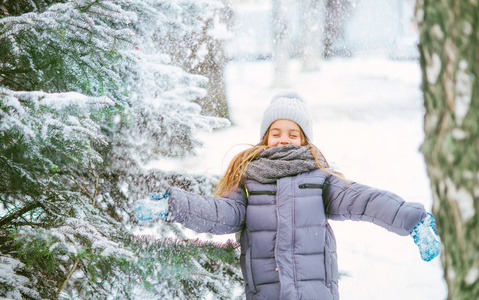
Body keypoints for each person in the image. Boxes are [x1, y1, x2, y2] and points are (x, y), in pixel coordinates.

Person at [134, 91, 440, 300]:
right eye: (276, 132)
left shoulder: (320, 179)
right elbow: (221, 213)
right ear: (265, 137)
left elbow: (365, 201)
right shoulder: (248, 179)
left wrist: (412, 219)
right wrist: (172, 205)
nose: (284, 139)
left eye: (293, 134)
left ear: (304, 139)